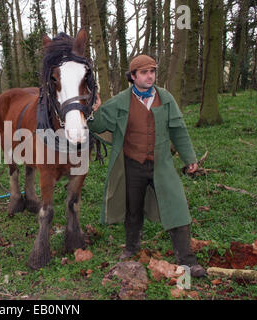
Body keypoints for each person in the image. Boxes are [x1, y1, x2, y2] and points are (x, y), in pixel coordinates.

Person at [88, 55, 206, 277]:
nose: (149, 76)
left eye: (152, 71)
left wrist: (189, 157)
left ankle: (188, 261)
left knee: (177, 207)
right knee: (133, 209)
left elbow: (178, 129)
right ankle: (132, 248)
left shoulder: (165, 98)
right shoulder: (121, 101)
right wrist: (95, 111)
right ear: (133, 76)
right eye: (144, 72)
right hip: (133, 164)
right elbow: (99, 124)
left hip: (162, 164)